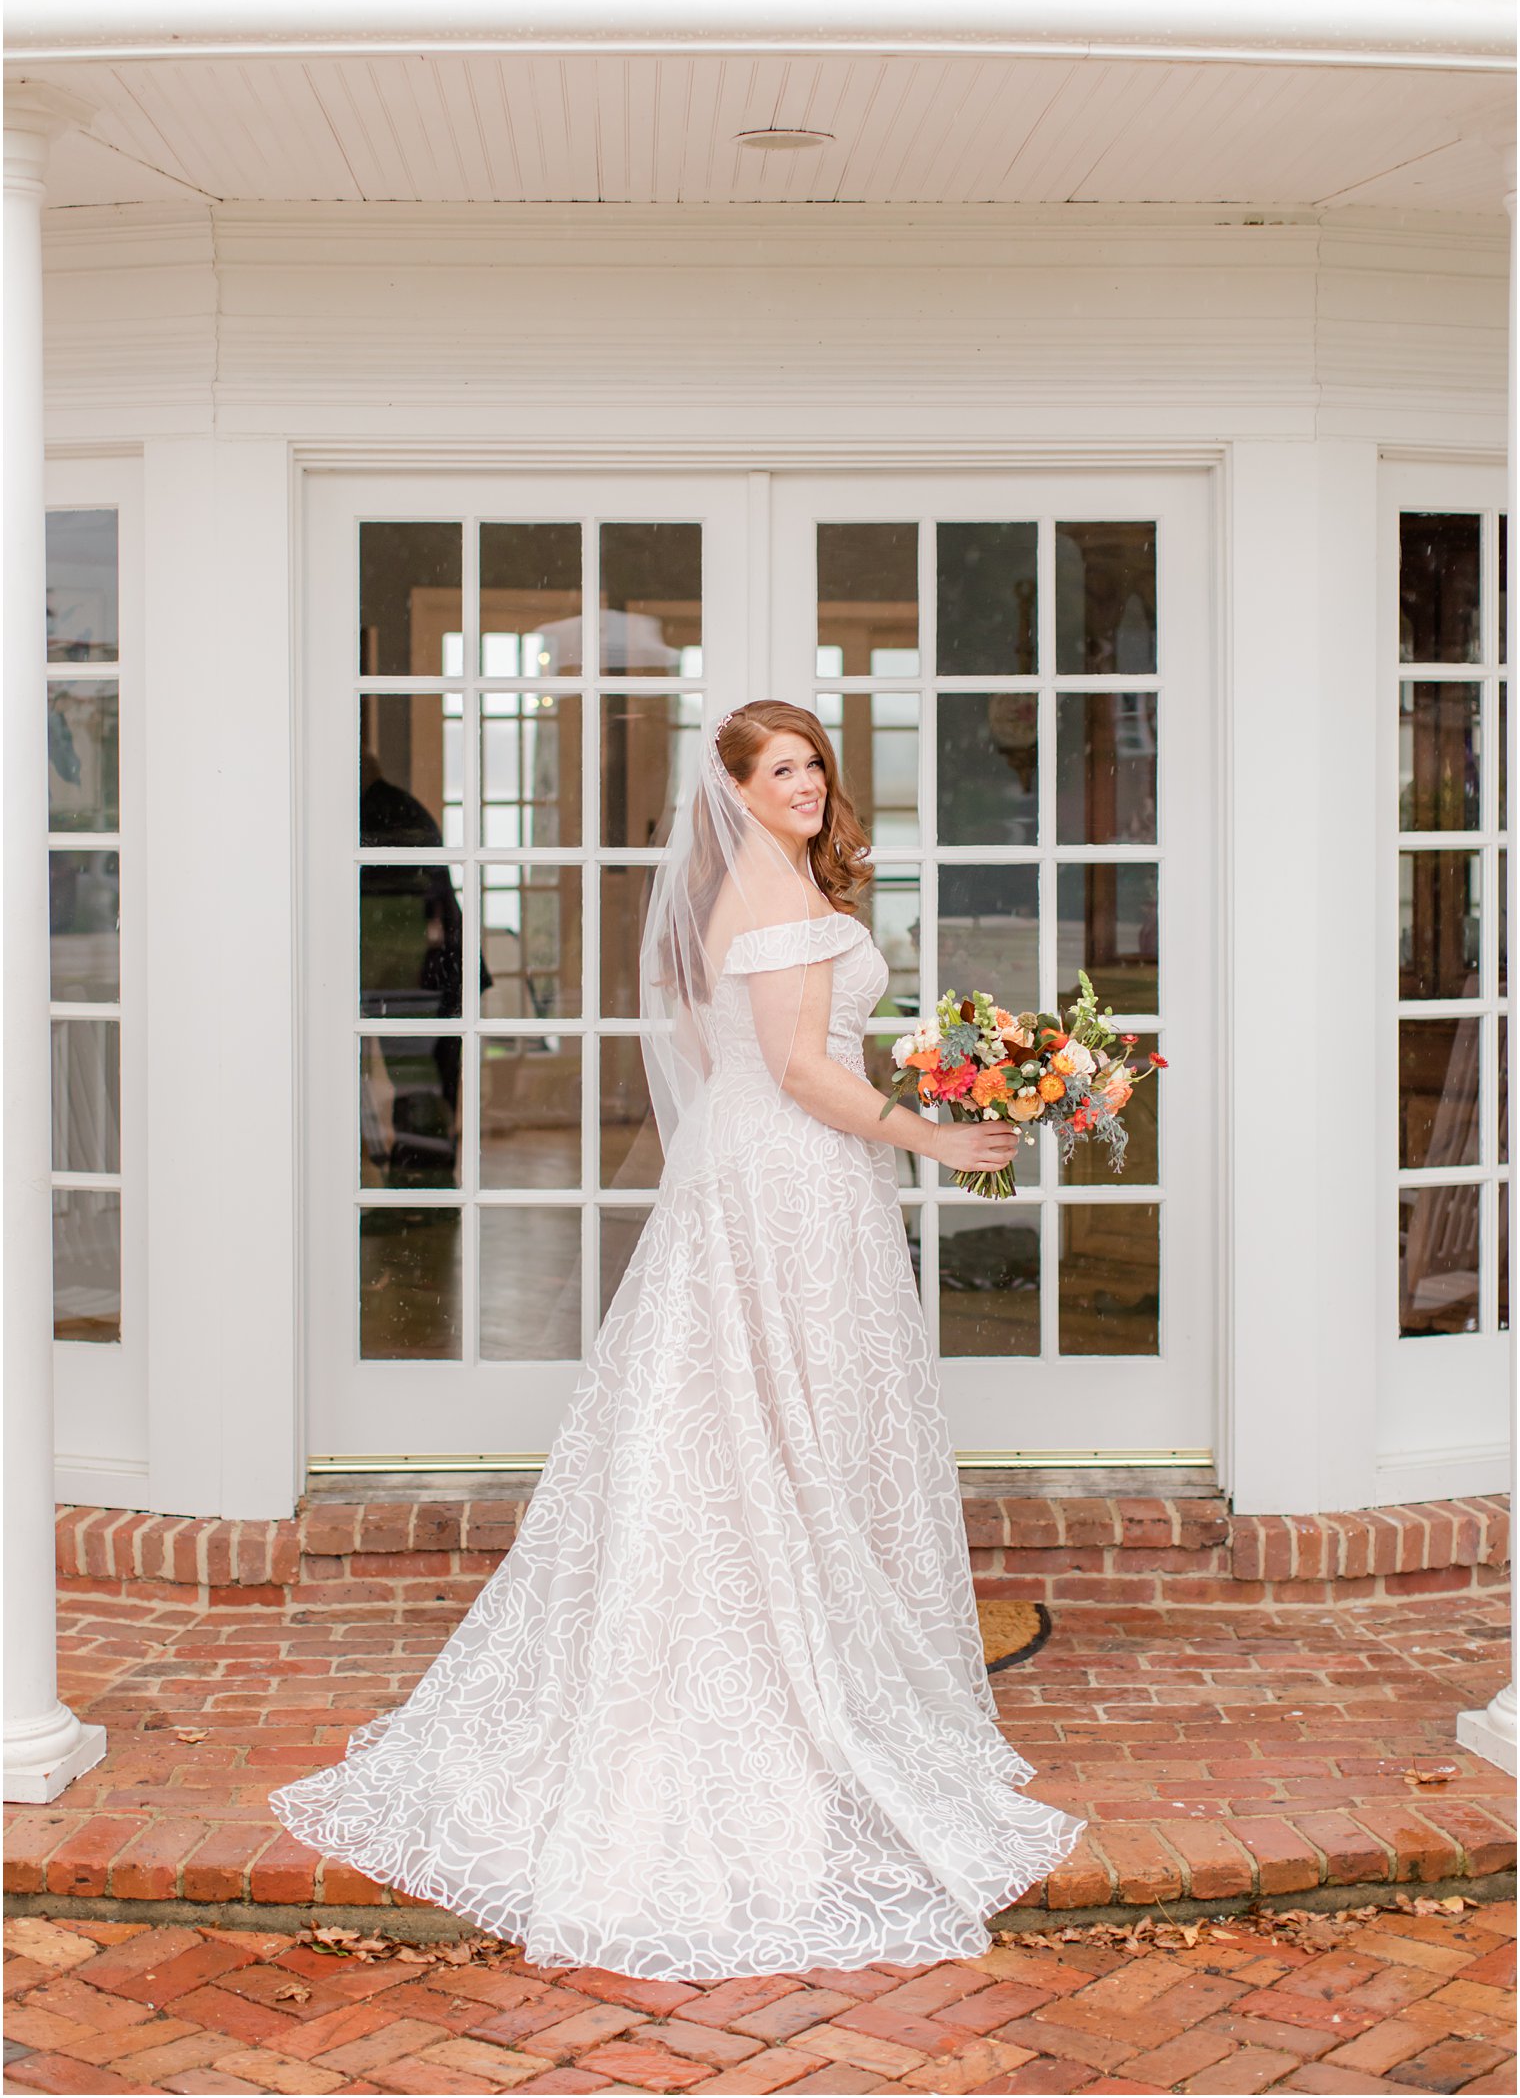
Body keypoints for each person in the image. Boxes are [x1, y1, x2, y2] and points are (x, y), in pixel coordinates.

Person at [270, 699, 1087, 1978]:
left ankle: (791, 1639)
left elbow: (765, 1060)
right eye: (780, 770)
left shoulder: (749, 890)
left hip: (762, 1170)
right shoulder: (775, 901)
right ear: (737, 791)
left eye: (814, 764)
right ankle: (793, 1688)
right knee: (785, 1415)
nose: (807, 785)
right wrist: (933, 1133)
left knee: (747, 1416)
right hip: (794, 1176)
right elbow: (806, 1074)